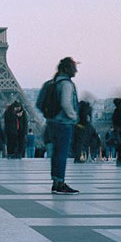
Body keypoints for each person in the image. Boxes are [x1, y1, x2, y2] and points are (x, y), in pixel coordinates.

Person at [44, 56, 80, 194]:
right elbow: (66, 103)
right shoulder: (66, 84)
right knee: (62, 154)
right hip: (63, 123)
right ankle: (60, 184)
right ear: (66, 69)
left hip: (53, 122)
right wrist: (74, 117)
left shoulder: (54, 82)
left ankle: (56, 182)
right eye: (73, 68)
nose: (75, 71)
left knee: (56, 154)